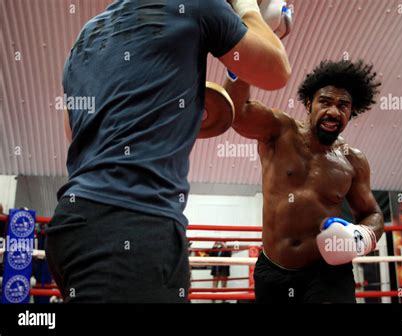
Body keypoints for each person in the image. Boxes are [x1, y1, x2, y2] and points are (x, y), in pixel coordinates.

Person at [46, 0, 291, 303]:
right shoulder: (198, 5)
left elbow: (77, 134)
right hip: (130, 225)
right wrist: (248, 8)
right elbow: (276, 70)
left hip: (77, 222)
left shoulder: (87, 35)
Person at [225, 59, 384, 303]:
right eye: (325, 101)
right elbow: (236, 112)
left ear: (351, 112)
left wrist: (360, 236)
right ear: (309, 103)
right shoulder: (279, 131)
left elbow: (372, 213)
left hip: (327, 274)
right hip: (273, 271)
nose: (333, 111)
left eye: (343, 105)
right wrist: (243, 56)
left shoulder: (353, 161)